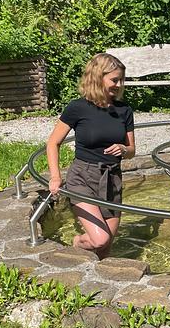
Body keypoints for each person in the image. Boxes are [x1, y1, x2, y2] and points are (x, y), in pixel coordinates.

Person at [46, 53, 135, 258]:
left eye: (122, 80)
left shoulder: (124, 110)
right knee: (99, 239)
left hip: (112, 179)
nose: (119, 84)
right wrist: (56, 176)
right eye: (114, 80)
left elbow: (132, 151)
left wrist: (123, 150)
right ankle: (77, 242)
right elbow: (53, 142)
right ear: (97, 77)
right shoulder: (77, 108)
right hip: (83, 177)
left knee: (106, 246)